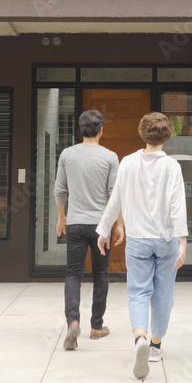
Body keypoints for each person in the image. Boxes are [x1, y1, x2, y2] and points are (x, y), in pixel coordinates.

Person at [96, 112, 188, 380]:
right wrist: (183, 242)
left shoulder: (128, 163)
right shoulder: (172, 167)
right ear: (167, 135)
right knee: (163, 294)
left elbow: (116, 200)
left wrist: (104, 230)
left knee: (138, 292)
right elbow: (177, 206)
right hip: (166, 239)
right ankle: (156, 347)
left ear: (142, 134)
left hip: (137, 239)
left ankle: (140, 338)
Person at [55, 109, 121, 351]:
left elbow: (59, 190)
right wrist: (118, 223)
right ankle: (96, 326)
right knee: (101, 275)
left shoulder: (67, 154)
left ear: (80, 131)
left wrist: (61, 217)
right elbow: (115, 194)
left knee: (73, 274)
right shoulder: (110, 157)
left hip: (75, 223)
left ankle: (73, 321)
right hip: (101, 226)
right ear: (101, 130)